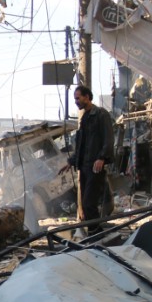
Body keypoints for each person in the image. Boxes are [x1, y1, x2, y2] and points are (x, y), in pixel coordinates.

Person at [61, 84, 114, 235]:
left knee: (89, 203)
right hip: (84, 166)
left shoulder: (101, 115)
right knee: (85, 206)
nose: (76, 101)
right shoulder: (84, 118)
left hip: (95, 166)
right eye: (75, 99)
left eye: (78, 98)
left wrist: (102, 158)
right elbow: (81, 146)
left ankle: (96, 234)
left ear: (87, 97)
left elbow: (108, 139)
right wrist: (70, 162)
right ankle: (94, 233)